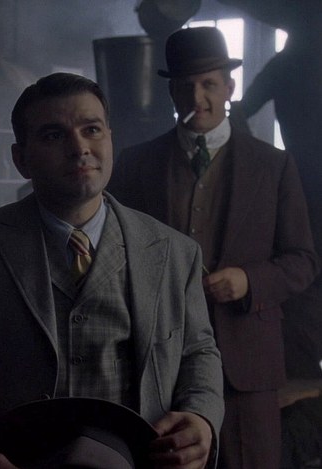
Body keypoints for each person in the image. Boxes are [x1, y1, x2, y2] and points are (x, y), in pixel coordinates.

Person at [0, 72, 225, 469]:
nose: (79, 148)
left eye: (92, 130)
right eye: (54, 135)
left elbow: (198, 352)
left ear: (110, 138)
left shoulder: (175, 252)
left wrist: (202, 417)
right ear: (21, 159)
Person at [108, 27, 319, 469]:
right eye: (185, 86)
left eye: (208, 84)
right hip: (158, 362)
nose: (197, 97)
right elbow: (115, 256)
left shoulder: (274, 165)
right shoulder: (135, 164)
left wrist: (249, 281)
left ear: (229, 87)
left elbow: (303, 261)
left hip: (247, 367)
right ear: (172, 92)